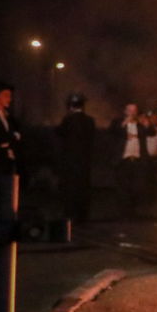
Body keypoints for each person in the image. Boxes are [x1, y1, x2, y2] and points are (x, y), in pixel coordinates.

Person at [55, 93, 96, 224]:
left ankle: (70, 212)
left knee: (70, 187)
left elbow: (59, 133)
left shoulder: (68, 120)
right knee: (83, 187)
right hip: (84, 160)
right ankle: (83, 214)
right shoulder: (89, 120)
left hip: (69, 160)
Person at [110, 103, 153, 219]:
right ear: (125, 111)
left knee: (137, 186)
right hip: (123, 159)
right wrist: (124, 124)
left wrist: (147, 124)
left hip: (138, 159)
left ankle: (134, 210)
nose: (132, 113)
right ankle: (123, 211)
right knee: (122, 187)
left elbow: (152, 133)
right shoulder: (118, 122)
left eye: (134, 110)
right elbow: (112, 132)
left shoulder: (140, 123)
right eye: (129, 110)